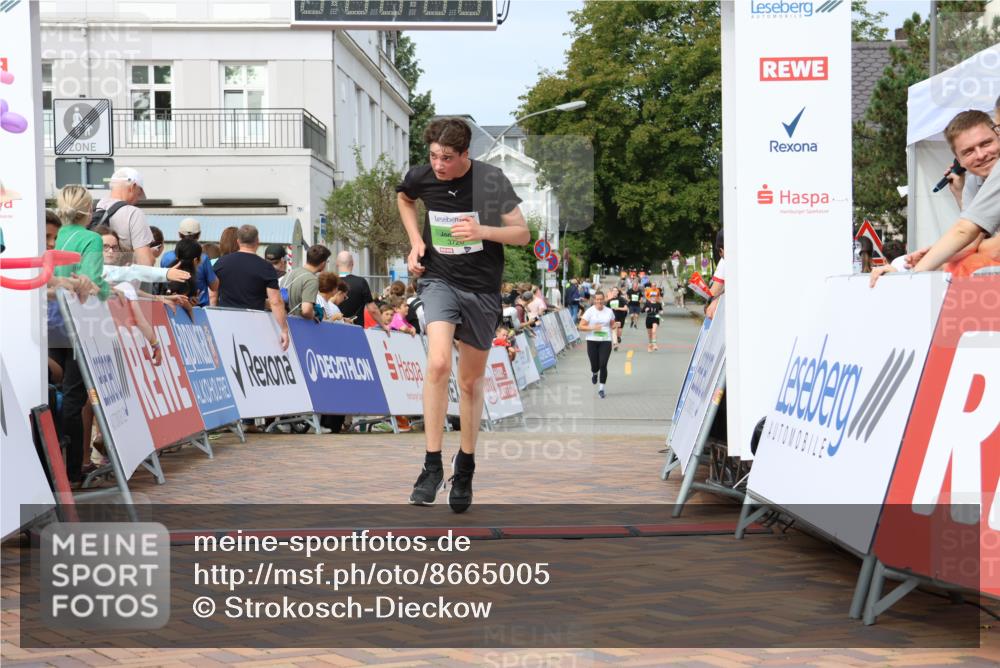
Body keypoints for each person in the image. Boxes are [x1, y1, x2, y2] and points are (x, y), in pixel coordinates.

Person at [397, 116, 528, 512]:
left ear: (465, 154)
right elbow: (404, 198)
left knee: (470, 383)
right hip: (439, 280)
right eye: (434, 156)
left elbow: (521, 233)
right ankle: (431, 464)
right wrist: (416, 242)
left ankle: (465, 464)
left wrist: (482, 231)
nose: (438, 165)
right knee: (437, 363)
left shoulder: (490, 180)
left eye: (447, 158)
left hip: (482, 289)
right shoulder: (421, 177)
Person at [871, 109, 1000, 286]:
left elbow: (977, 240)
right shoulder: (972, 184)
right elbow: (970, 243)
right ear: (958, 161)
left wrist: (913, 276)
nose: (980, 155)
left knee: (971, 264)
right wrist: (919, 263)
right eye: (968, 151)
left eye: (985, 143)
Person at [51, 185, 109, 484]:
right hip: (77, 325)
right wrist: (112, 292)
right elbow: (93, 284)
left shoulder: (51, 234)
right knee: (74, 398)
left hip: (44, 323)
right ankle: (71, 470)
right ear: (88, 209)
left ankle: (53, 467)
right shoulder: (91, 239)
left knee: (50, 394)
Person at [213, 224, 289, 350]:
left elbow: (213, 293)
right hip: (254, 324)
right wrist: (284, 329)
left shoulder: (221, 263)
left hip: (225, 321)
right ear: (257, 241)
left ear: (238, 241)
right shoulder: (266, 267)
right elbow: (275, 302)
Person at [93, 167, 155, 266]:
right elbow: (146, 262)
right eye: (138, 194)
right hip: (122, 279)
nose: (137, 199)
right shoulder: (134, 213)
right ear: (132, 187)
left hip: (95, 276)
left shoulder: (94, 208)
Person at [158, 218, 218, 306]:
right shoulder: (203, 258)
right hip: (197, 307)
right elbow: (214, 286)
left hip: (171, 305)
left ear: (179, 234)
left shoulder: (166, 257)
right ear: (198, 235)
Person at [334, 250, 388, 331]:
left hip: (334, 328)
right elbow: (372, 309)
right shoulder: (360, 282)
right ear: (352, 263)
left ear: (337, 263)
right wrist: (383, 325)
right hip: (356, 329)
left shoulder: (331, 283)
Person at [578, 290, 614, 398]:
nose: (599, 301)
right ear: (594, 300)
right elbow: (581, 326)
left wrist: (616, 325)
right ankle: (594, 373)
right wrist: (593, 327)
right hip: (592, 340)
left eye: (601, 299)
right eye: (597, 299)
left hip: (606, 340)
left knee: (603, 364)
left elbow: (612, 325)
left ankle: (601, 389)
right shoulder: (589, 311)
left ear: (604, 300)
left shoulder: (609, 311)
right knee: (595, 365)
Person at [283, 244, 332, 320]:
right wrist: (314, 315)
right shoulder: (311, 280)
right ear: (323, 263)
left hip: (282, 322)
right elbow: (306, 310)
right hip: (297, 326)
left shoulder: (290, 273)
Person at [607, 286, 628, 351]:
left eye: (616, 291)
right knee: (614, 330)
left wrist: (618, 308)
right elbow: (606, 310)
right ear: (612, 292)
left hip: (621, 317)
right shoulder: (609, 301)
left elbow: (626, 308)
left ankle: (618, 337)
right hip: (613, 318)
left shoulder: (621, 299)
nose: (614, 292)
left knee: (619, 332)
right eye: (613, 291)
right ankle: (615, 344)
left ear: (618, 292)